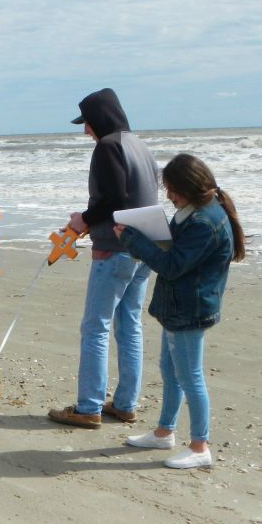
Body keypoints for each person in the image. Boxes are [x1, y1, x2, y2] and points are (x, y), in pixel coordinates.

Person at [115, 153, 245, 468]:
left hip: (191, 308)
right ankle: (164, 432)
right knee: (170, 371)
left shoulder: (206, 221)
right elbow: (173, 253)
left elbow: (172, 265)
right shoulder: (191, 212)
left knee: (190, 376)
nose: (169, 196)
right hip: (178, 306)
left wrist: (134, 239)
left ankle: (200, 446)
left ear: (191, 186)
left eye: (173, 190)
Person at [48, 88, 159, 428]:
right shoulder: (140, 146)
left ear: (101, 118)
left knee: (96, 327)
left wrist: (83, 218)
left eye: (88, 123)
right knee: (129, 326)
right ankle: (125, 403)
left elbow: (112, 198)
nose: (86, 130)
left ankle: (89, 407)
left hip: (115, 248)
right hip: (146, 247)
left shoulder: (109, 146)